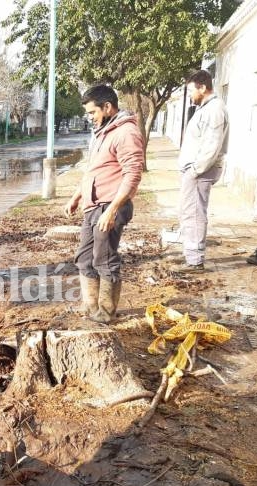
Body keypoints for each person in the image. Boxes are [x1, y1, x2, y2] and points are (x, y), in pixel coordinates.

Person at [64, 84, 144, 323]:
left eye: (92, 113)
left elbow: (133, 174)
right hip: (93, 206)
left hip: (110, 206)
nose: (90, 118)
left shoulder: (125, 132)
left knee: (104, 259)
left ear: (107, 107)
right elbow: (93, 170)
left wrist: (112, 209)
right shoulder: (102, 132)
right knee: (84, 258)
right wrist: (77, 196)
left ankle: (106, 313)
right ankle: (91, 308)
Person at [176, 69, 229, 273]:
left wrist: (195, 170)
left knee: (195, 213)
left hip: (200, 171)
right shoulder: (205, 108)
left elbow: (212, 146)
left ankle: (195, 261)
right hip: (195, 170)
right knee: (188, 212)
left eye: (191, 90)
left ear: (203, 87)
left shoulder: (214, 109)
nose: (190, 95)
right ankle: (192, 257)